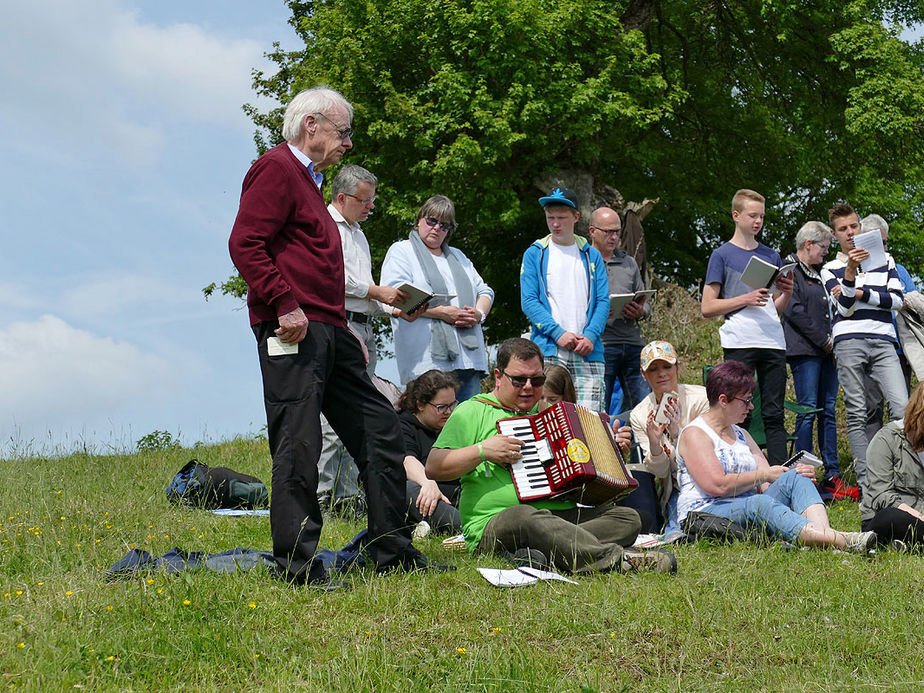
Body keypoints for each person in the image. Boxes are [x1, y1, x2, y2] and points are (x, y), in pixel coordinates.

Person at [228, 85, 448, 588]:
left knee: (382, 429)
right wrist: (283, 302)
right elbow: (245, 242)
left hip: (334, 329)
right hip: (294, 328)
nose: (348, 142)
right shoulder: (276, 169)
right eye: (343, 131)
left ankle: (390, 548)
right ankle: (298, 565)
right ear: (313, 126)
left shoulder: (311, 183)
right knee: (299, 444)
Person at [426, 337, 677, 574]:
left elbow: (579, 475)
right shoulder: (472, 411)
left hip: (559, 516)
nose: (528, 388)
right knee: (523, 516)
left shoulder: (554, 415)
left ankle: (541, 552)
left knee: (627, 518)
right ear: (498, 377)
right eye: (519, 380)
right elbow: (434, 467)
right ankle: (615, 561)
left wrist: (611, 451)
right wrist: (483, 450)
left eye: (536, 381)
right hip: (498, 523)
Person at [675, 361, 875, 552]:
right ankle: (842, 540)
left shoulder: (741, 434)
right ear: (723, 400)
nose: (751, 406)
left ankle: (822, 540)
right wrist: (766, 475)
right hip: (706, 511)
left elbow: (767, 483)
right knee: (758, 504)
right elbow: (717, 486)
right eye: (745, 401)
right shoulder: (695, 434)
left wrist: (787, 475)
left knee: (797, 477)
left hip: (748, 507)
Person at [316, 164, 410, 516]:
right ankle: (327, 497)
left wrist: (391, 308)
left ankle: (348, 495)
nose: (371, 206)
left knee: (360, 415)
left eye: (373, 199)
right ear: (342, 197)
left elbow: (362, 289)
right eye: (365, 199)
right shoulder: (326, 227)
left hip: (364, 325)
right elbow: (330, 280)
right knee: (333, 417)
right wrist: (377, 291)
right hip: (341, 326)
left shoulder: (357, 233)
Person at [701, 189, 794, 465]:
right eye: (753, 215)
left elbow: (772, 308)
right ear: (736, 215)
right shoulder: (722, 255)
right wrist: (746, 297)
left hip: (773, 342)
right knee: (740, 411)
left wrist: (786, 293)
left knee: (775, 414)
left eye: (762, 216)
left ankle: (781, 475)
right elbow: (707, 307)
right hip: (739, 340)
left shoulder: (771, 255)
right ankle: (744, 472)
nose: (758, 221)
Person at [820, 203, 907, 490]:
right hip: (848, 341)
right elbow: (844, 309)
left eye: (853, 226)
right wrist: (851, 272)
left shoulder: (887, 260)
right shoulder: (830, 268)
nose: (849, 232)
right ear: (834, 235)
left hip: (883, 340)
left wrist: (857, 291)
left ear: (860, 227)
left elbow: (897, 301)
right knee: (856, 412)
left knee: (902, 409)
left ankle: (904, 477)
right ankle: (868, 485)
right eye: (843, 229)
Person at [380, 195, 494, 401]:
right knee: (431, 427)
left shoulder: (458, 256)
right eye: (431, 221)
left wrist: (478, 313)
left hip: (468, 360)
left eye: (444, 225)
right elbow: (394, 296)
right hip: (426, 361)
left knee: (467, 427)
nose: (436, 228)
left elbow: (485, 291)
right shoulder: (402, 251)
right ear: (419, 220)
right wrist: (442, 313)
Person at [781, 221, 858, 501]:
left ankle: (832, 475)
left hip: (829, 352)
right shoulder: (789, 269)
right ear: (809, 244)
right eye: (824, 248)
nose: (826, 253)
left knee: (827, 411)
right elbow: (794, 310)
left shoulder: (819, 273)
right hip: (806, 351)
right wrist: (824, 340)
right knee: (807, 410)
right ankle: (803, 476)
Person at [521, 188, 610, 411]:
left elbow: (603, 301)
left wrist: (590, 336)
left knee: (590, 418)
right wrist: (558, 333)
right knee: (547, 417)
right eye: (550, 217)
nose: (555, 224)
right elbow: (529, 301)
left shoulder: (592, 255)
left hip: (589, 351)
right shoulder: (535, 253)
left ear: (576, 217)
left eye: (561, 218)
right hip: (550, 349)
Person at [629, 341, 710, 534]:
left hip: (709, 479)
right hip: (676, 488)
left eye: (667, 366)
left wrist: (677, 434)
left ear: (677, 367)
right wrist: (655, 444)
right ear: (644, 375)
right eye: (653, 369)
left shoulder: (701, 399)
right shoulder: (640, 415)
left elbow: (710, 453)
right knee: (676, 532)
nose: (661, 373)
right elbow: (660, 472)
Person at [588, 206, 651, 413]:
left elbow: (646, 303)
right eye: (608, 232)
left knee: (644, 407)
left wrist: (640, 311)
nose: (614, 237)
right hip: (601, 345)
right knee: (599, 410)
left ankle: (638, 446)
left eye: (617, 231)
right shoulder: (583, 263)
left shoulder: (629, 262)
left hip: (633, 344)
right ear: (592, 231)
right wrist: (597, 312)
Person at [398, 369, 462, 535]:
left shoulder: (456, 426)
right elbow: (407, 460)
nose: (449, 412)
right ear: (420, 404)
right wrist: (428, 483)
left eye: (452, 405)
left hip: (462, 499)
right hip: (428, 497)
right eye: (442, 407)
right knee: (405, 488)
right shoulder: (403, 426)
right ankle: (462, 529)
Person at [861, 382, 924, 550]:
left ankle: (908, 545)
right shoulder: (886, 439)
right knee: (891, 517)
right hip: (890, 515)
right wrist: (920, 517)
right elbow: (881, 495)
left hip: (919, 519)